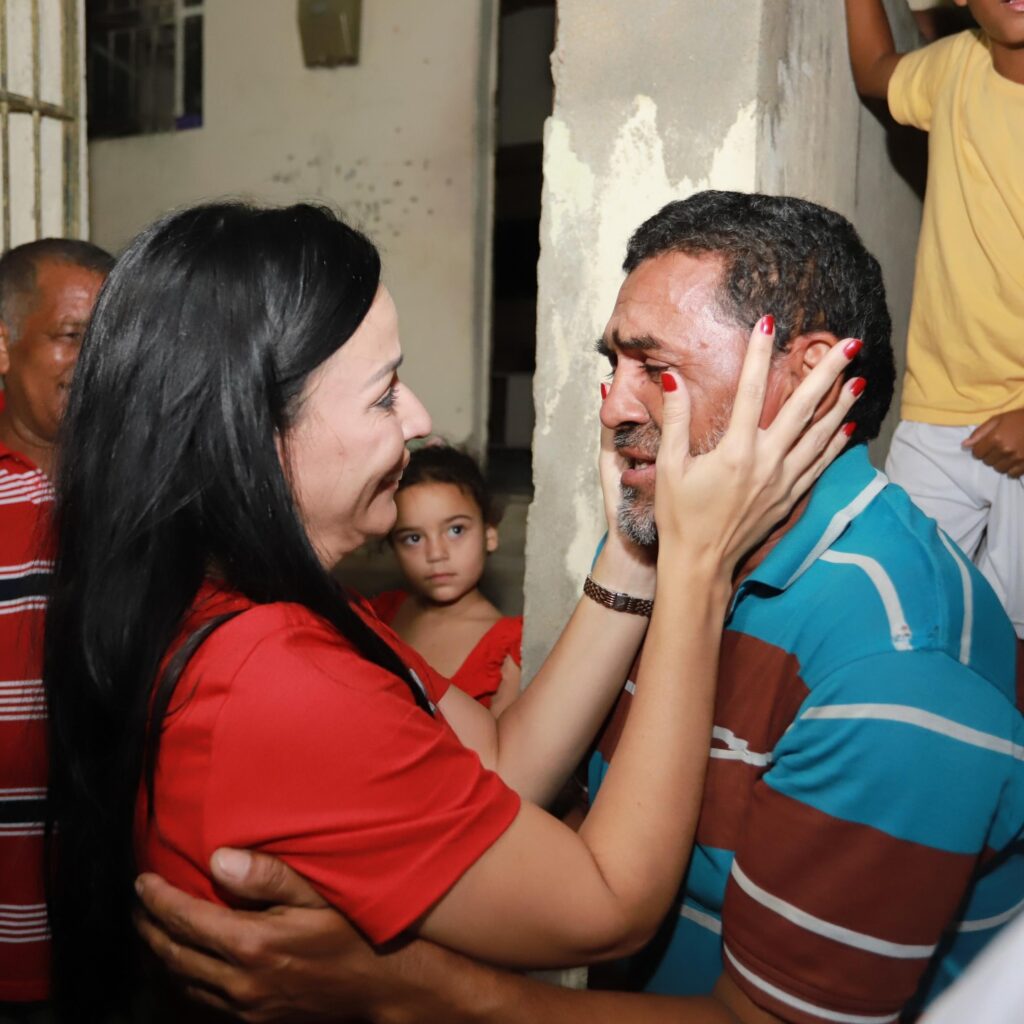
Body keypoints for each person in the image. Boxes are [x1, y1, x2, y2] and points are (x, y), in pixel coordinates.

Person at [135, 192, 1023, 1024]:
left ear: (813, 382)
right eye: (615, 364)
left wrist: (408, 987)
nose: (614, 407)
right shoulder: (682, 569)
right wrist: (650, 556)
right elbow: (513, 792)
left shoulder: (900, 662)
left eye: (656, 368)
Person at [844, 0, 1024, 677]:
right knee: (893, 616)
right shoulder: (955, 66)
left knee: (1012, 657)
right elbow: (877, 73)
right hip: (938, 414)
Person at [0, 239, 112, 1018]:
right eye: (72, 335)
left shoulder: (142, 494)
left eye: (111, 340)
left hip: (116, 920)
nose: (95, 362)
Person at [370, 444, 522, 714]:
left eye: (455, 530)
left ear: (489, 533)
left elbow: (507, 753)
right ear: (393, 547)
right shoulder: (381, 614)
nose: (436, 554)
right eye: (413, 538)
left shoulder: (509, 646)